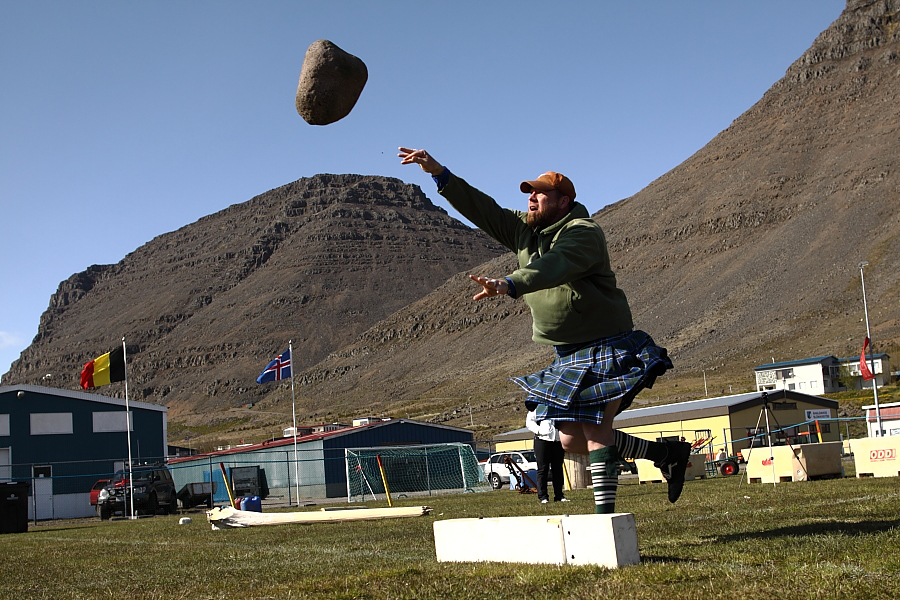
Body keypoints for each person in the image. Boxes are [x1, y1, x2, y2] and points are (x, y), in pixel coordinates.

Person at [399, 147, 691, 513]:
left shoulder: (583, 232)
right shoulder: (524, 232)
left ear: (564, 200)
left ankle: (607, 523)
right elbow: (483, 209)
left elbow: (556, 264)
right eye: (529, 194)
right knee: (570, 440)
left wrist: (509, 283)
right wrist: (438, 172)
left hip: (606, 343)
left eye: (540, 193)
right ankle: (667, 453)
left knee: (598, 430)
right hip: (567, 352)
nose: (531, 198)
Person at [526, 409, 569, 504]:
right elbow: (529, 422)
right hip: (542, 440)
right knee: (543, 469)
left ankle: (559, 495)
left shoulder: (559, 406)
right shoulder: (539, 406)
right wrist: (539, 430)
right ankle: (543, 496)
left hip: (558, 441)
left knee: (557, 469)